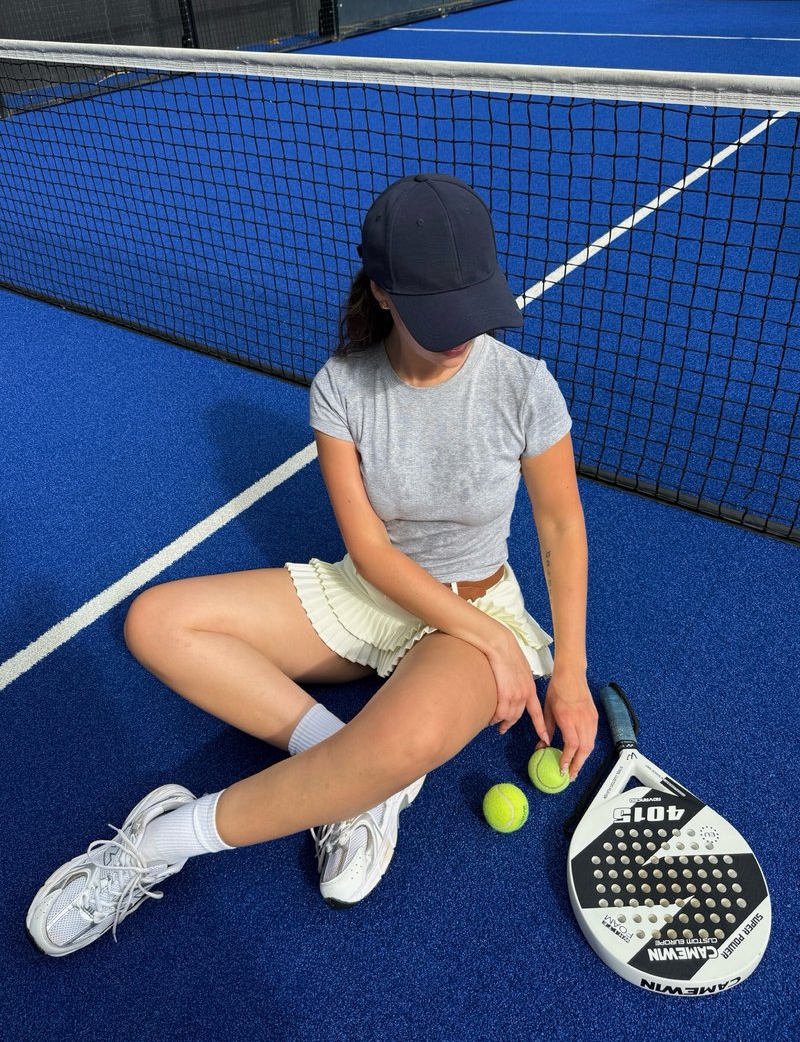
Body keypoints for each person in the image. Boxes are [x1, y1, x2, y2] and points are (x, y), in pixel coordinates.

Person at [26, 172, 597, 957]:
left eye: (474, 305)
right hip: (373, 592)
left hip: (476, 607)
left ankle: (159, 842)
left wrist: (566, 669)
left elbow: (561, 526)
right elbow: (370, 550)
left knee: (400, 742)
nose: (463, 332)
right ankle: (361, 783)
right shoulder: (341, 388)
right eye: (439, 312)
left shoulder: (524, 387)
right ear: (384, 294)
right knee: (155, 621)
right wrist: (495, 643)